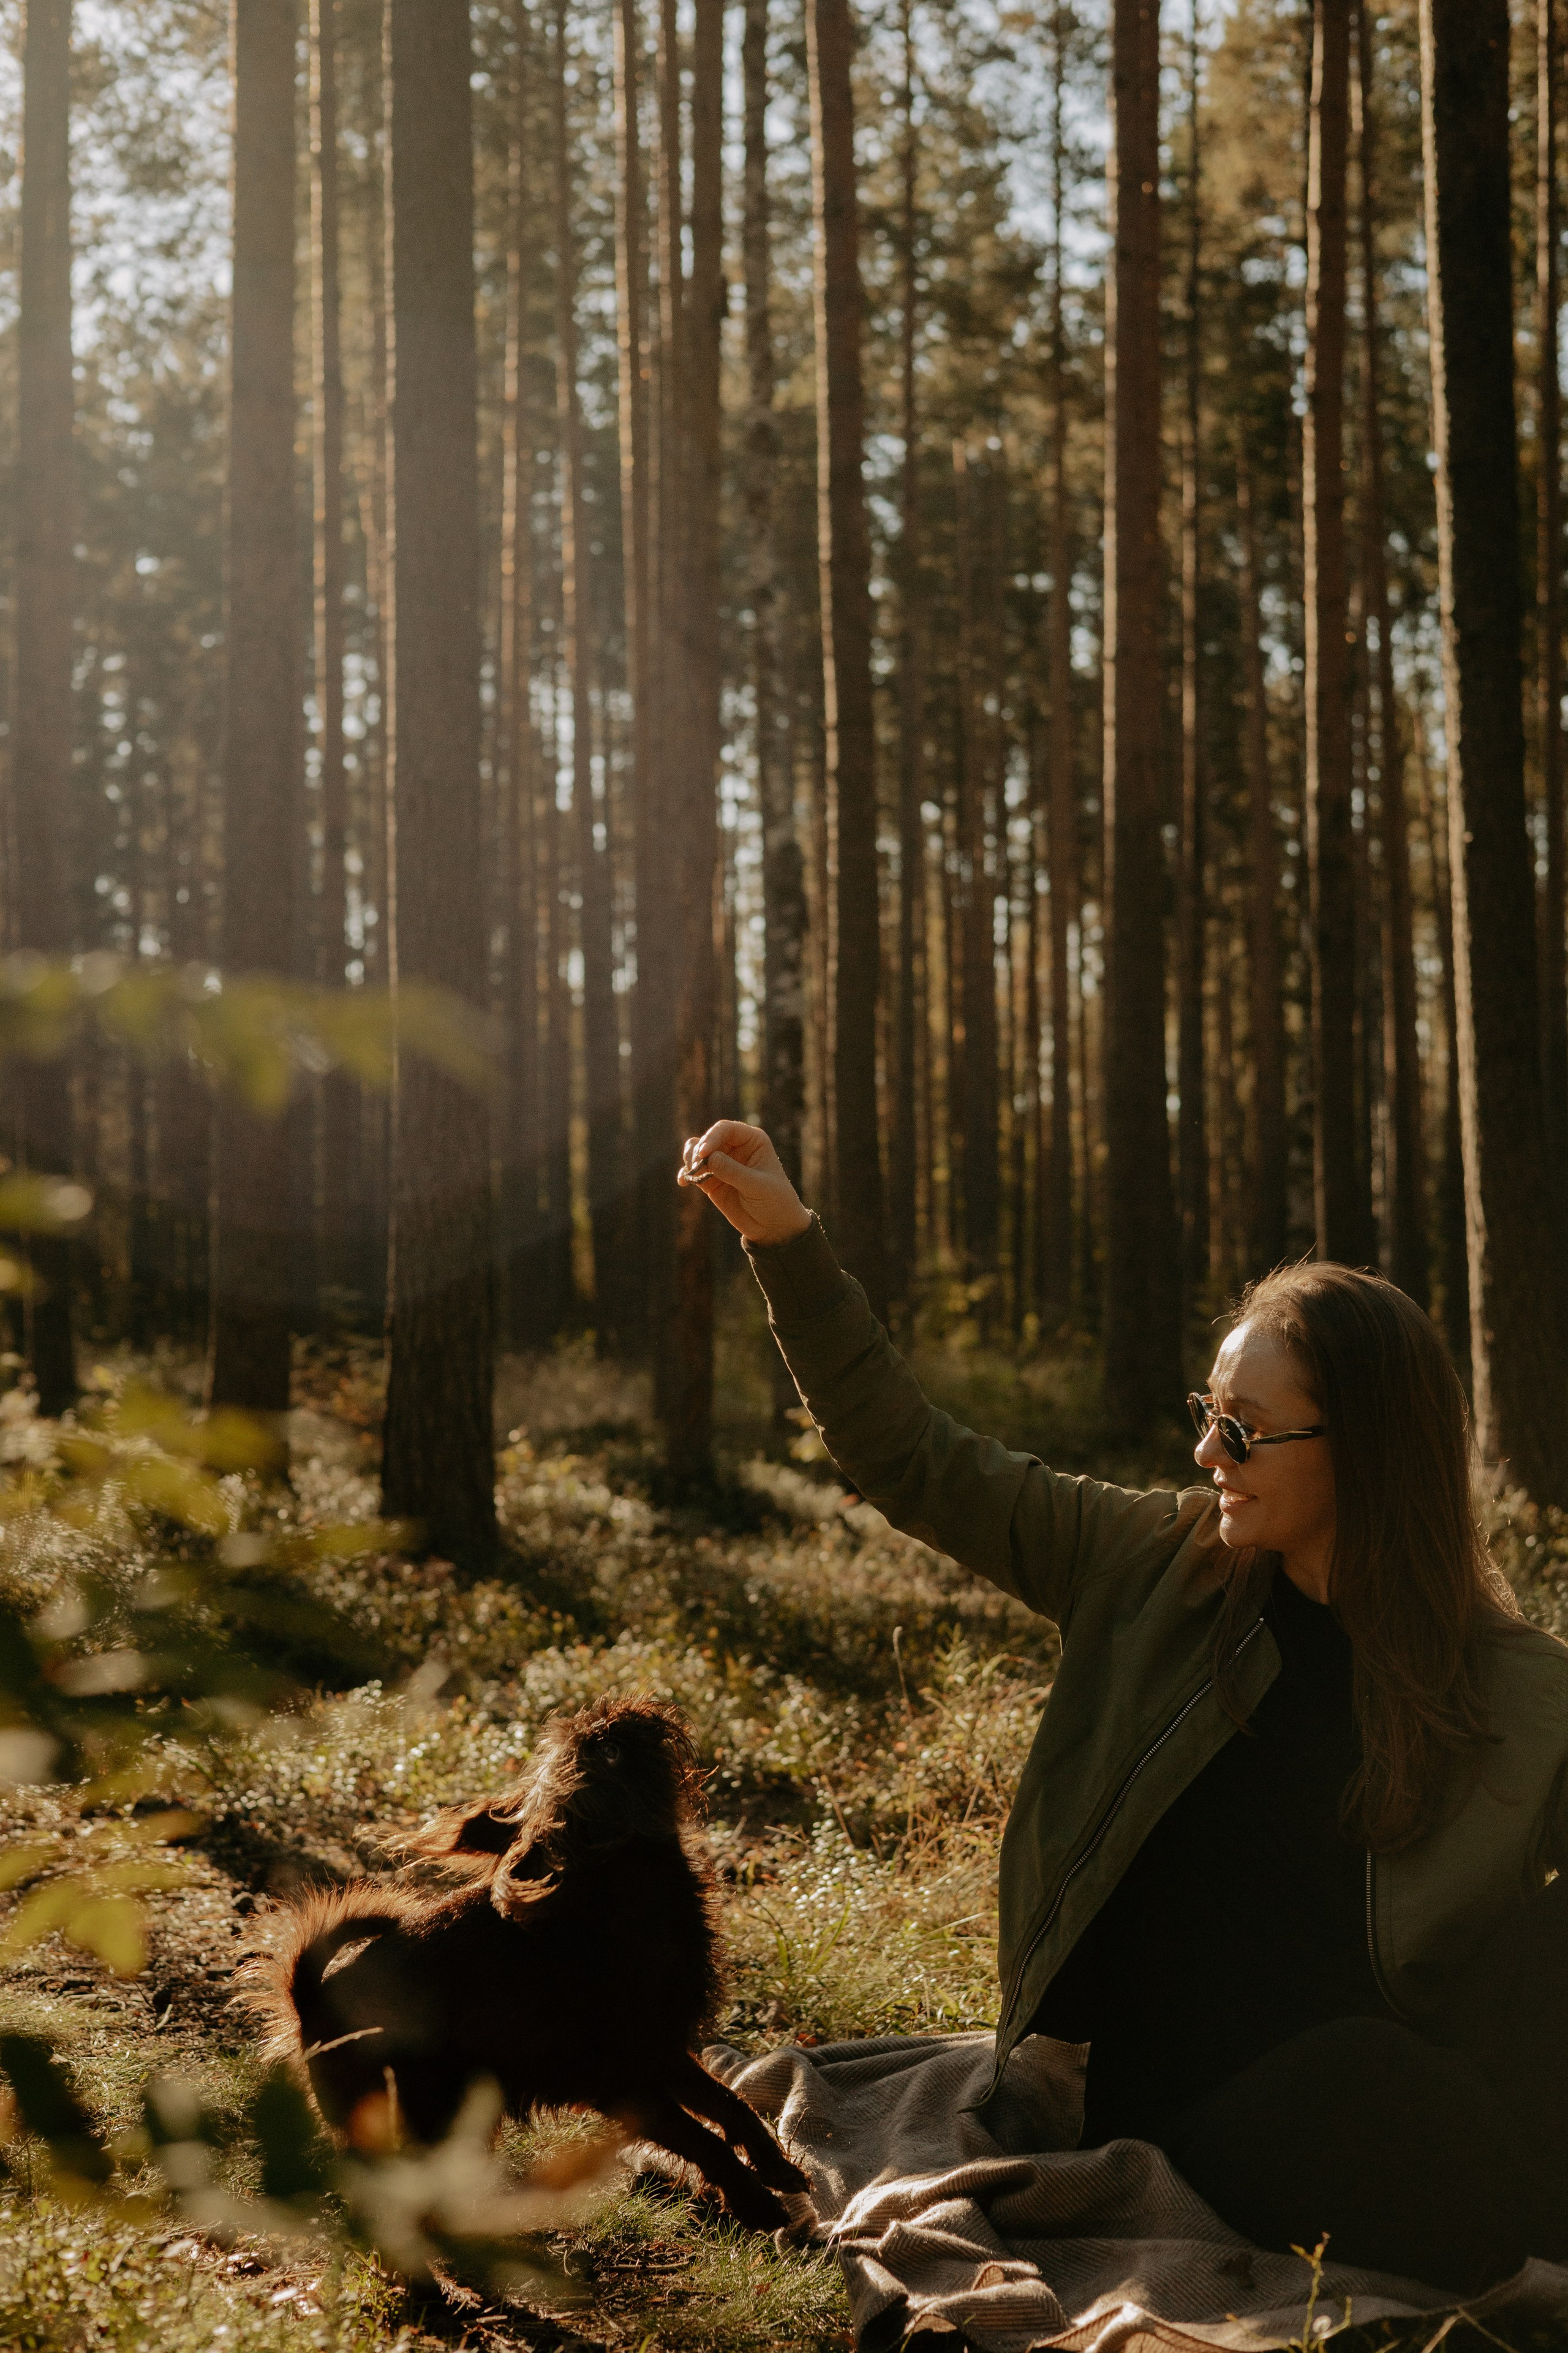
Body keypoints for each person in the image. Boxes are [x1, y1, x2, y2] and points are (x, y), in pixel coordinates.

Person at [678, 1119, 1568, 2294]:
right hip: (1202, 2087)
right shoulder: (1153, 1563)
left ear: (1367, 1447)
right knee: (1373, 2092)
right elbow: (915, 1457)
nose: (1208, 1448)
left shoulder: (1516, 1685)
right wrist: (789, 1243)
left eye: (1243, 1427)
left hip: (1419, 2060)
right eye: (1209, 1410)